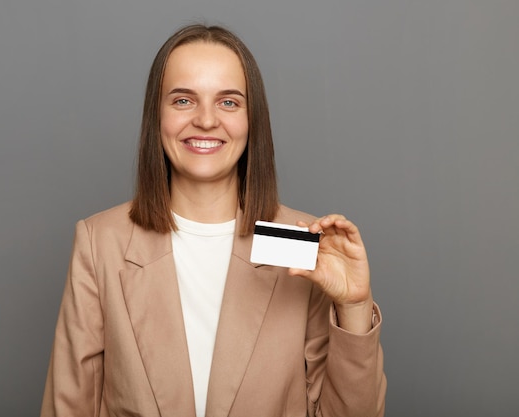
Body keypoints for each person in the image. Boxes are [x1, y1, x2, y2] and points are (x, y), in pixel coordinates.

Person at [41, 24, 386, 417]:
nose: (206, 121)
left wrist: (354, 307)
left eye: (228, 102)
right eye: (184, 100)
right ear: (156, 115)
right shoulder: (99, 241)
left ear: (252, 120)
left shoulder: (301, 241)